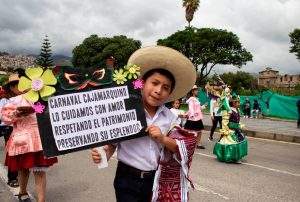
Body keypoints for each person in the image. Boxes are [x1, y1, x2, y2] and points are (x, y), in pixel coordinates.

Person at [91, 46, 196, 202]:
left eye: (165, 88)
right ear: (142, 83)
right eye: (154, 83)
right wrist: (103, 154)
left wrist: (162, 138)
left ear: (169, 93)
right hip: (127, 180)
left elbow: (179, 147)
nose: (158, 90)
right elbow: (111, 144)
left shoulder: (170, 117)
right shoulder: (126, 111)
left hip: (157, 181)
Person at [2, 87, 58, 202]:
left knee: (39, 171)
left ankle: (41, 200)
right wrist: (17, 113)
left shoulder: (45, 98)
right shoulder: (16, 100)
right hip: (22, 141)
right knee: (23, 169)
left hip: (40, 141)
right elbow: (5, 118)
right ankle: (22, 192)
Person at [0, 73, 21, 188]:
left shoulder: (24, 98)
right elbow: (2, 116)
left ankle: (20, 173)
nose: (21, 87)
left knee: (22, 151)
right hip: (8, 128)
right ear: (12, 87)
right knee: (13, 152)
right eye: (18, 85)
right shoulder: (5, 100)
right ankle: (12, 177)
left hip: (20, 127)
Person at [213, 95, 248, 163]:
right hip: (230, 129)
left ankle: (236, 157)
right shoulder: (228, 110)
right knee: (231, 142)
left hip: (236, 129)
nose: (239, 104)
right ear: (234, 103)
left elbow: (237, 120)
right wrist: (226, 130)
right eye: (238, 102)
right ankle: (228, 157)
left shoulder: (237, 109)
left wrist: (240, 125)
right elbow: (225, 121)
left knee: (239, 140)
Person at [184, 85, 208, 149]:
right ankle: (189, 144)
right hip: (193, 118)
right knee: (192, 132)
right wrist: (191, 115)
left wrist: (204, 106)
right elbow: (191, 107)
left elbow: (198, 108)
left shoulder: (196, 99)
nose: (197, 91)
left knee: (199, 131)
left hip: (197, 117)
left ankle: (198, 144)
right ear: (192, 91)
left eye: (197, 90)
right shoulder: (191, 99)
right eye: (196, 90)